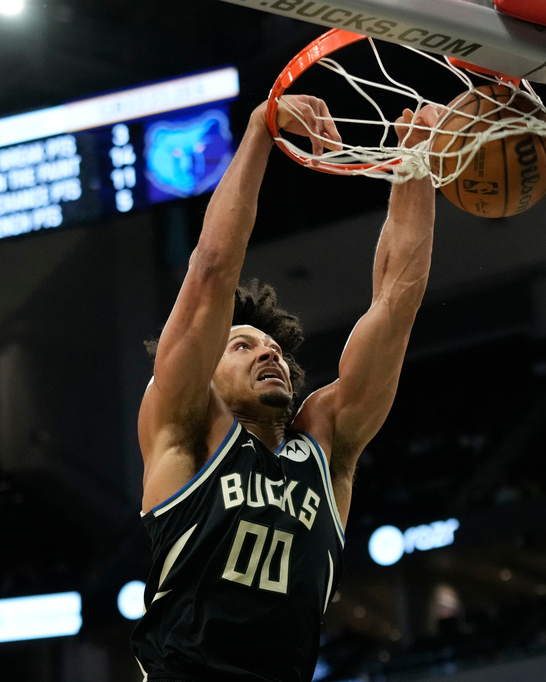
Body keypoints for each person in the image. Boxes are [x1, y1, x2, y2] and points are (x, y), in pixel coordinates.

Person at [130, 94, 439, 682]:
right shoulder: (188, 433)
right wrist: (259, 132)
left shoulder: (327, 444)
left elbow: (394, 306)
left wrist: (416, 167)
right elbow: (211, 271)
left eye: (271, 349)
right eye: (241, 345)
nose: (268, 351)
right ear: (208, 374)